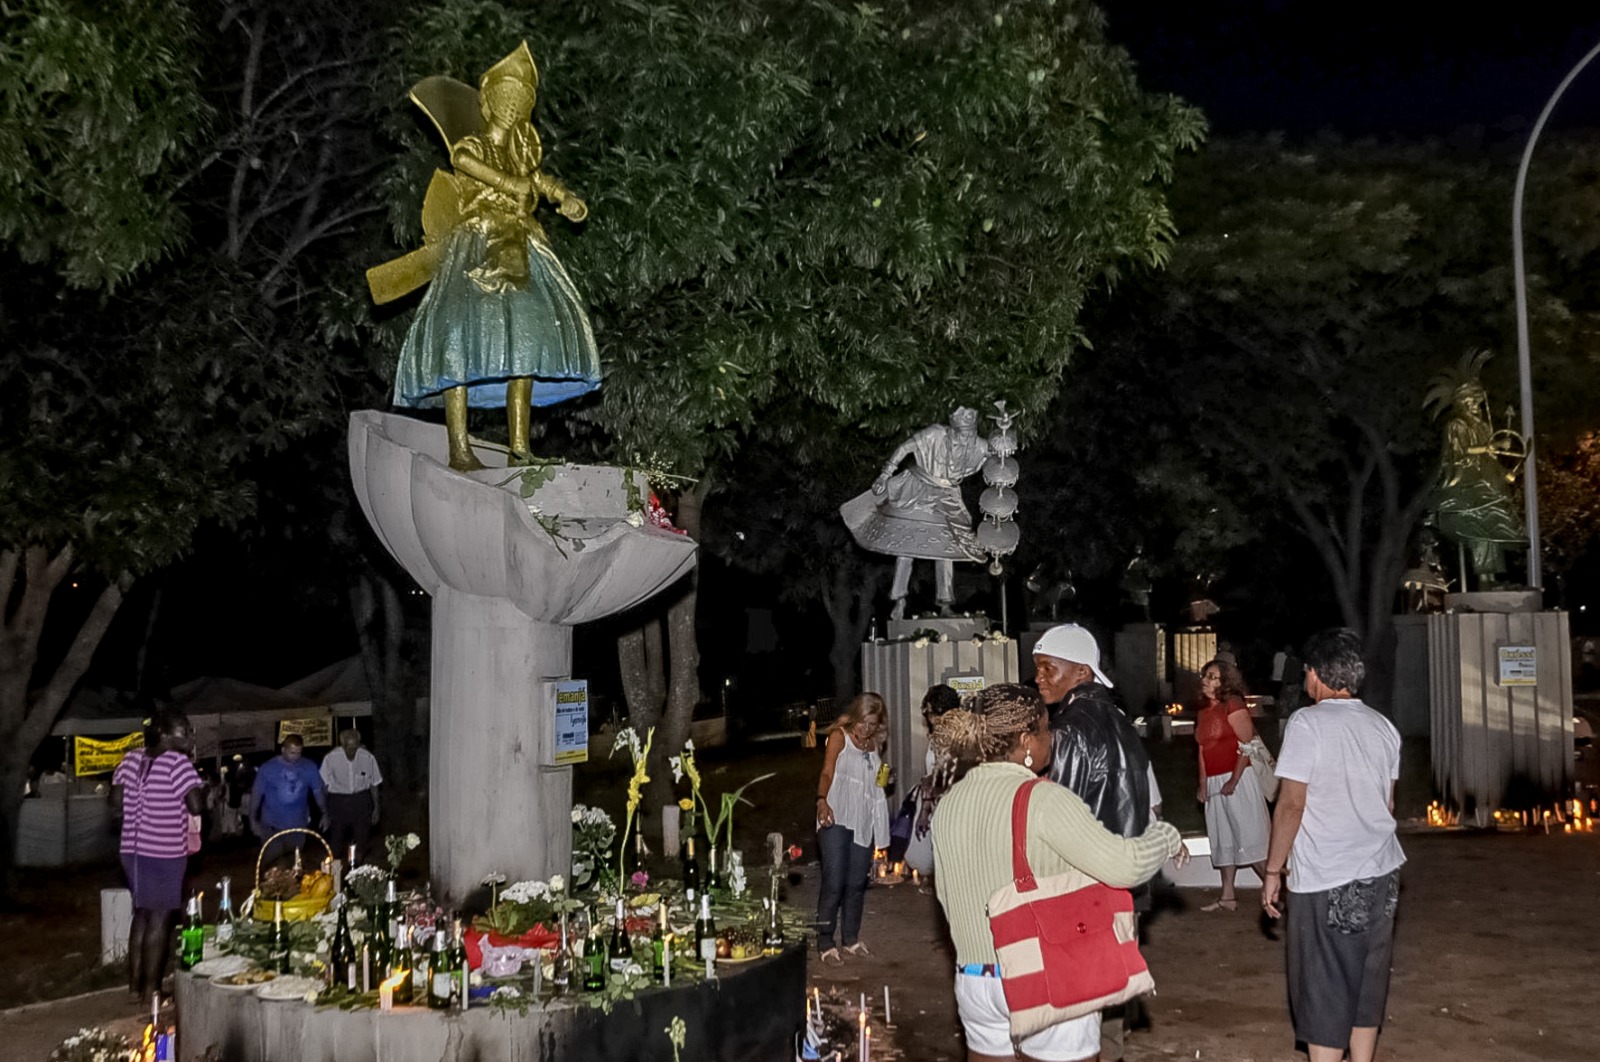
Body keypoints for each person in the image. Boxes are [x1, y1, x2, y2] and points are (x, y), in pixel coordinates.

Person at [375, 41, 600, 472]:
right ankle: (459, 447)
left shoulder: (522, 159)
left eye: (521, 102)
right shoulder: (475, 146)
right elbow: (461, 158)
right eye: (506, 98)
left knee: (527, 332)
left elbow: (542, 183)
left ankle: (519, 445)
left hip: (520, 244)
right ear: (490, 102)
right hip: (477, 243)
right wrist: (506, 184)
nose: (513, 107)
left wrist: (565, 198)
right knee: (459, 333)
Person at [930, 684, 1186, 1062]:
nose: (1052, 739)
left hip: (976, 980)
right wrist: (1165, 837)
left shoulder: (950, 804)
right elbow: (1124, 866)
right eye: (1046, 729)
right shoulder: (1044, 800)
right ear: (1025, 740)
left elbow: (946, 897)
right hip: (1043, 974)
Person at [1262, 628, 1405, 1062]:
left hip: (1329, 876)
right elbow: (1389, 803)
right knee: (1366, 979)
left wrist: (1273, 871)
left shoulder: (1309, 722)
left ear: (1317, 675)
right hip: (1382, 872)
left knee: (1324, 984)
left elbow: (1291, 803)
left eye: (1307, 670)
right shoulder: (1383, 726)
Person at [1032, 623, 1151, 1061]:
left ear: (1082, 671)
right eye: (1037, 667)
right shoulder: (1118, 721)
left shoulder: (1071, 730)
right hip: (1120, 885)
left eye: (1049, 667)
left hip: (1082, 890)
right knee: (1109, 1007)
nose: (1040, 677)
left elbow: (1055, 816)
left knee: (1076, 1020)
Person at [839, 407, 991, 619]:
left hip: (946, 494)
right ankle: (899, 599)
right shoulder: (936, 433)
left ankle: (945, 603)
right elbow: (905, 448)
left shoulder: (979, 446)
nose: (965, 440)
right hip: (917, 487)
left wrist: (1005, 444)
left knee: (945, 546)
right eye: (961, 435)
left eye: (969, 436)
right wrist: (884, 475)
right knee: (906, 544)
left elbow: (999, 459)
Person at [111, 712, 204, 1003]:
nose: (190, 737)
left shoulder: (130, 759)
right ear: (164, 733)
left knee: (142, 914)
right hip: (164, 851)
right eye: (184, 731)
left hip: (132, 850)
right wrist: (201, 789)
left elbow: (115, 802)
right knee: (161, 918)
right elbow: (196, 805)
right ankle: (152, 990)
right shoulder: (178, 763)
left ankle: (134, 986)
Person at [814, 693, 891, 963]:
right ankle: (824, 942)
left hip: (862, 820)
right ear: (856, 715)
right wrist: (822, 801)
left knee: (857, 882)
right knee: (834, 881)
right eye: (863, 722)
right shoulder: (839, 736)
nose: (866, 729)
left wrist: (884, 779)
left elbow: (875, 785)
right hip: (835, 816)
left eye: (872, 724)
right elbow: (827, 772)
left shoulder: (874, 745)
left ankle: (850, 939)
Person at [1193, 658, 1271, 911]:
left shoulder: (1233, 705)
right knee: (1223, 836)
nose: (1206, 681)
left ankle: (1281, 893)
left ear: (1225, 681)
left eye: (1213, 677)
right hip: (1217, 781)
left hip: (1239, 778)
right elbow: (1203, 749)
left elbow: (1247, 744)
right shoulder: (1203, 713)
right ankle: (1228, 897)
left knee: (1251, 837)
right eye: (1205, 676)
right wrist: (1203, 784)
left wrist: (1234, 779)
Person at [250, 734, 327, 865]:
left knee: (294, 867)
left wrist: (325, 813)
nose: (295, 756)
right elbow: (256, 794)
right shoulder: (268, 768)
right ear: (283, 750)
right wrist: (252, 819)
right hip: (272, 826)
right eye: (292, 753)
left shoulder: (309, 767)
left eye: (298, 753)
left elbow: (318, 792)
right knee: (273, 867)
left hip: (298, 826)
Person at [320, 728, 383, 864]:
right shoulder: (331, 758)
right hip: (338, 801)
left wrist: (376, 808)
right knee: (336, 841)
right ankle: (335, 875)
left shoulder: (368, 757)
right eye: (349, 748)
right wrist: (325, 811)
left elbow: (374, 784)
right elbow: (323, 786)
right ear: (342, 746)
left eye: (355, 747)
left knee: (361, 840)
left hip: (360, 800)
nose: (352, 751)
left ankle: (358, 872)